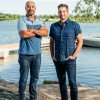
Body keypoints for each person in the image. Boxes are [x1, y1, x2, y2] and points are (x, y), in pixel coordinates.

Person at [49, 4, 83, 100]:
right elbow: (51, 42)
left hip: (70, 59)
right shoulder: (53, 26)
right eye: (60, 11)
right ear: (58, 13)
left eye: (64, 11)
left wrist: (74, 55)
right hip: (58, 59)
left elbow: (80, 41)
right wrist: (52, 55)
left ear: (67, 12)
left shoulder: (75, 25)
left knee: (72, 82)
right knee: (62, 82)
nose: (62, 13)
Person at [17, 1, 48, 100]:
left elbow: (46, 33)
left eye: (32, 6)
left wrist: (32, 30)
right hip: (24, 54)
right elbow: (24, 35)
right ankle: (22, 97)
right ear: (25, 8)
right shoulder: (21, 20)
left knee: (35, 78)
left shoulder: (40, 20)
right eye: (28, 7)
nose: (31, 8)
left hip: (37, 54)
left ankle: (33, 97)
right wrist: (39, 31)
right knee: (23, 78)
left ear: (35, 8)